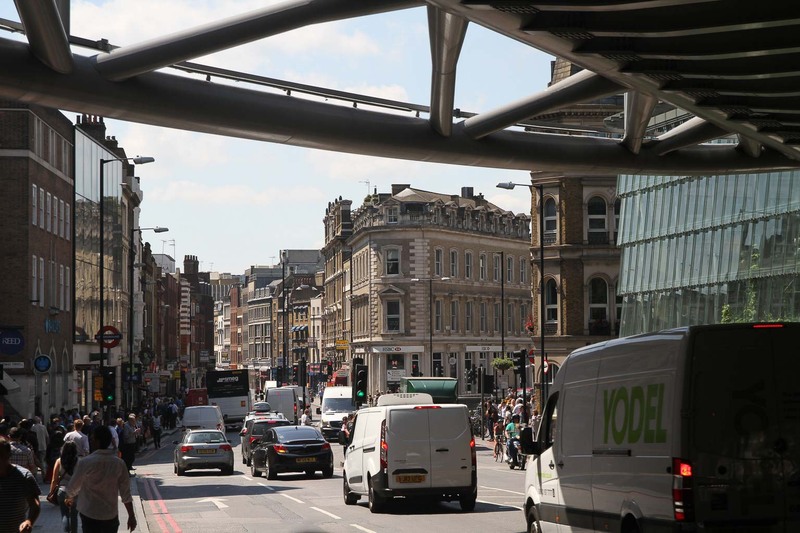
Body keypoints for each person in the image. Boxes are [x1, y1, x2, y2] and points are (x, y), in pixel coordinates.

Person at [65, 426, 136, 532]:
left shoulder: (85, 462)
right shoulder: (119, 464)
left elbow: (72, 487)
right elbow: (125, 493)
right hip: (110, 515)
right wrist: (131, 515)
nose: (91, 442)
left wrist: (69, 497)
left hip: (89, 514)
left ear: (97, 441)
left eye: (92, 439)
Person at [0, 436, 41, 533]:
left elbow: (35, 504)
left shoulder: (24, 476)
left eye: (1, 455)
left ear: (8, 455)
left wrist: (29, 521)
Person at [51, 440, 79, 533]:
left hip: (62, 491)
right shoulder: (79, 462)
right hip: (75, 492)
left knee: (65, 514)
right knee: (74, 515)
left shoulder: (59, 461)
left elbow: (54, 479)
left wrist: (51, 492)